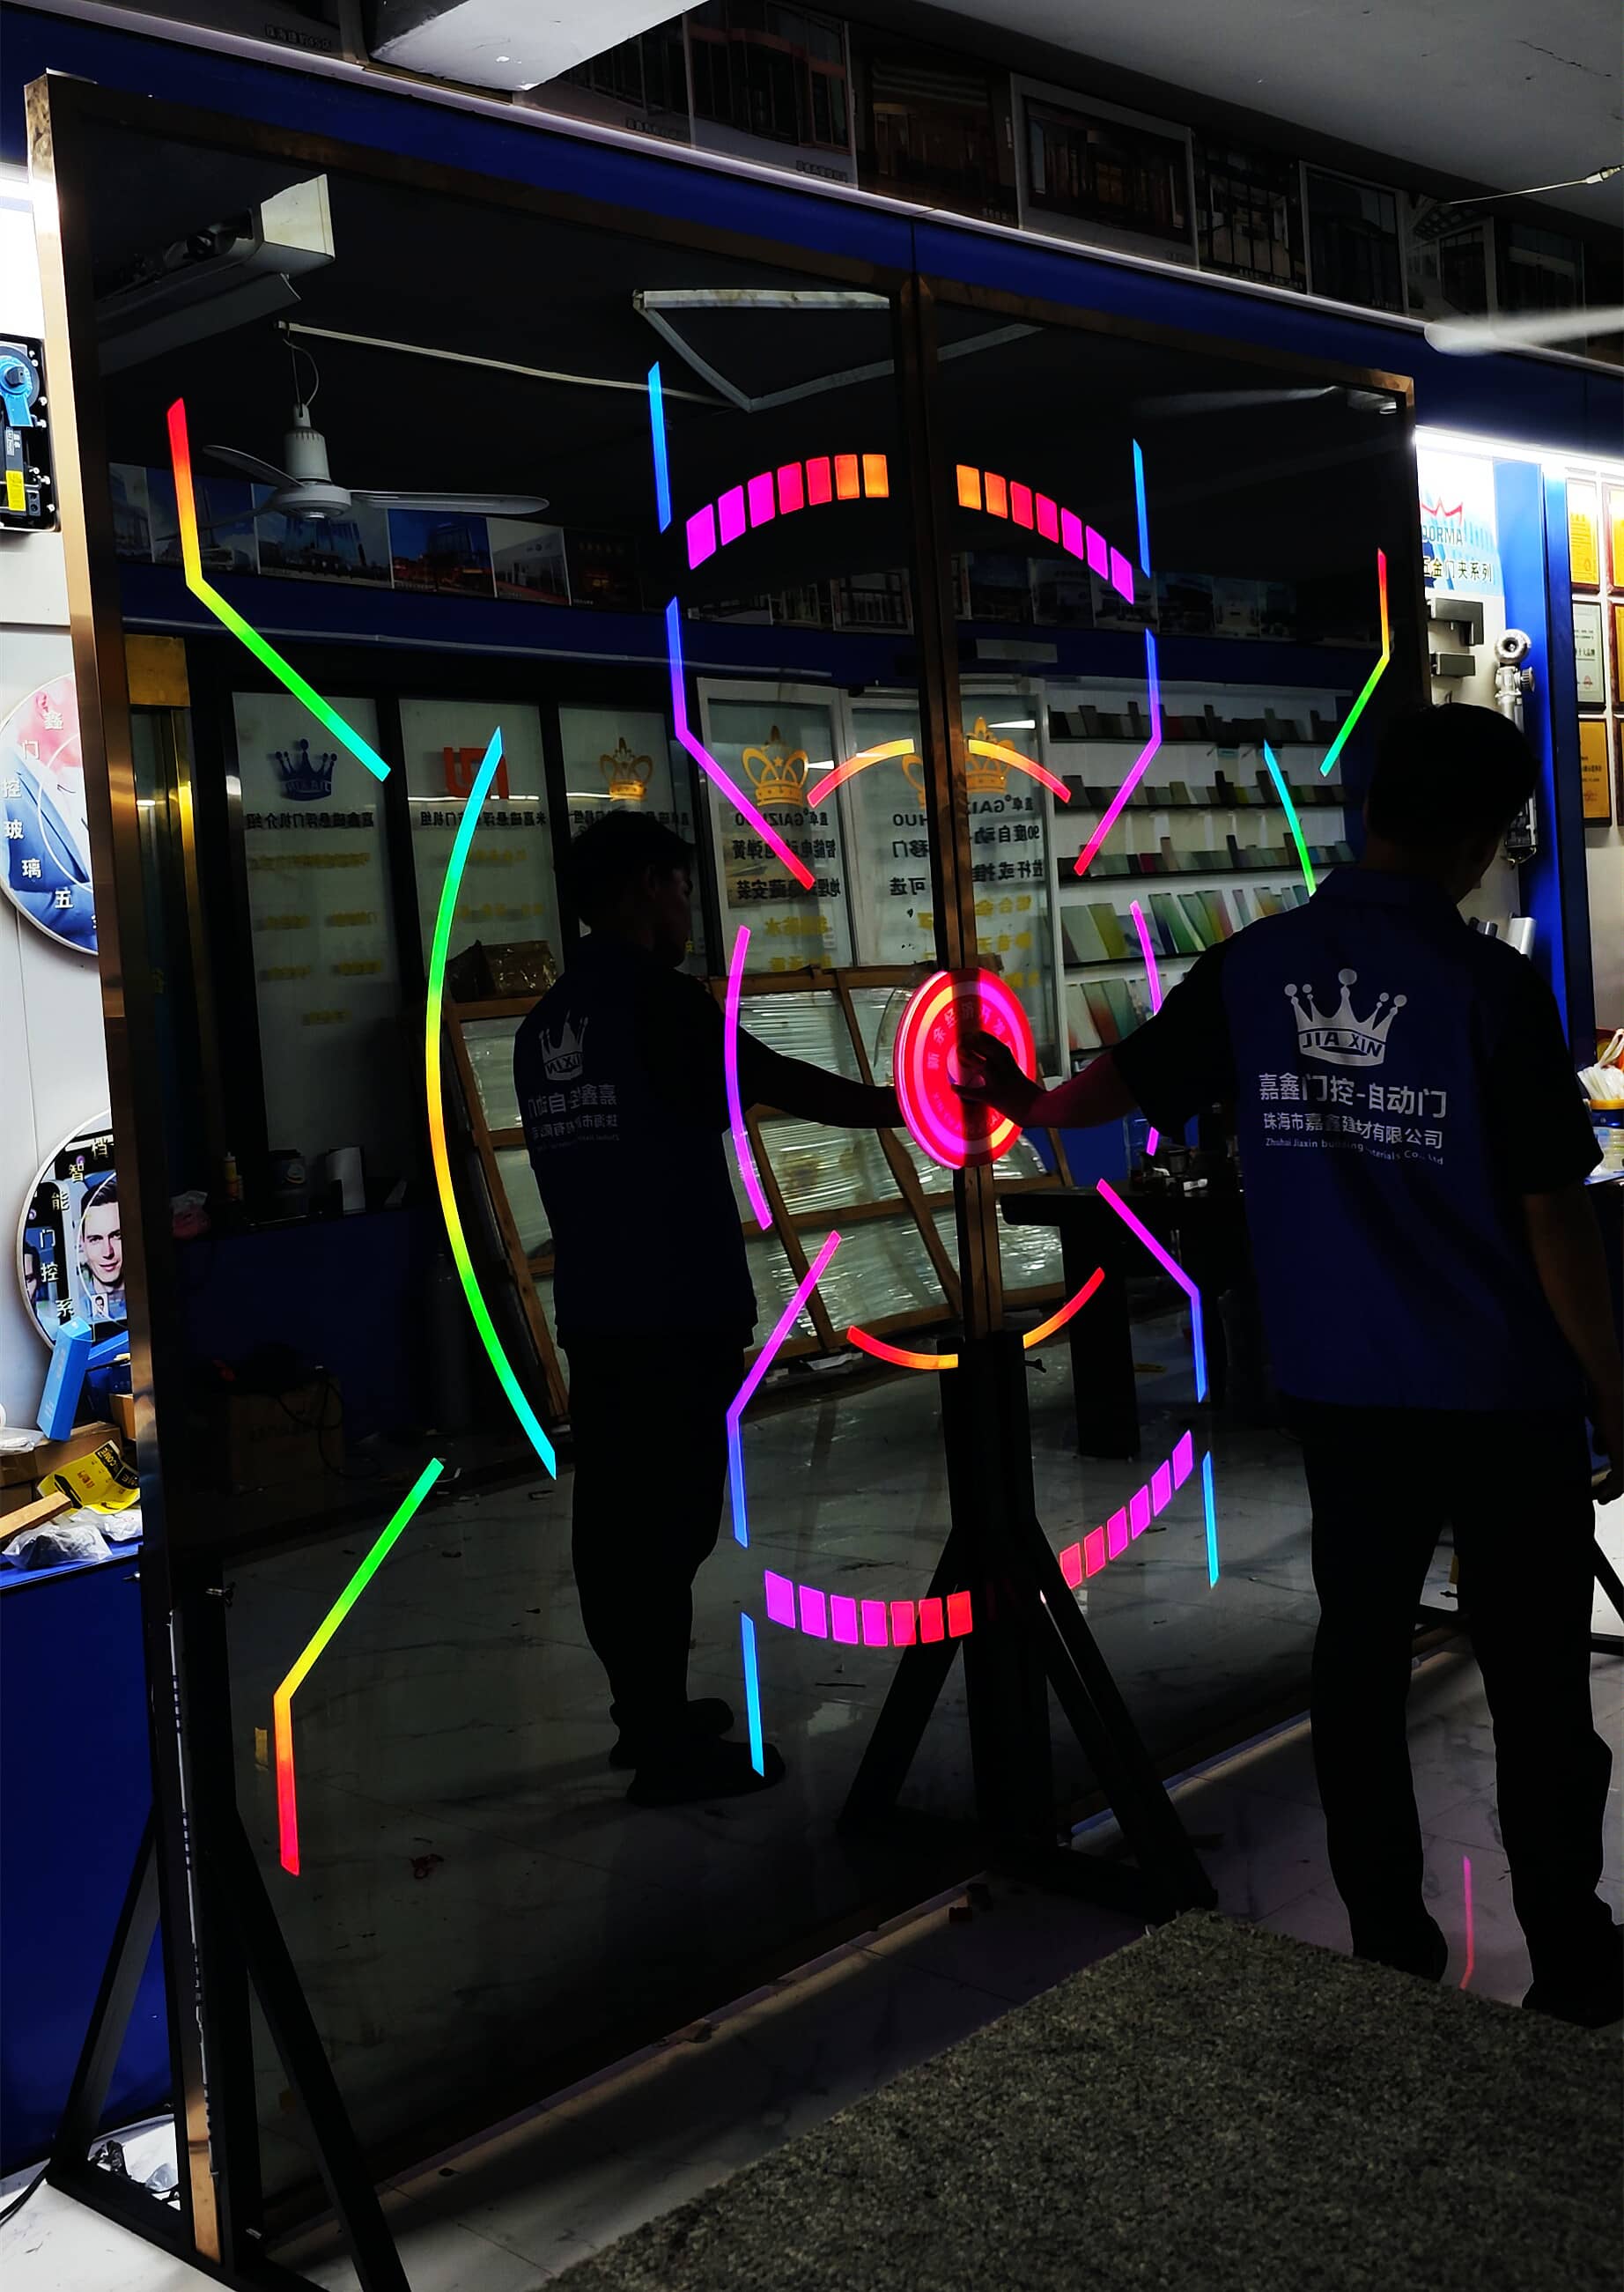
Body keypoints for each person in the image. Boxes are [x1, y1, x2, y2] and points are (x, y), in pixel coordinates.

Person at [960, 703, 1622, 2028]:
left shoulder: (1256, 966)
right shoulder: (1487, 988)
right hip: (1500, 1394)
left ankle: (1388, 1947)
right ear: (1483, 838)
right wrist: (1618, 1389)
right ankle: (1572, 1956)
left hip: (1340, 1387)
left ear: (1373, 810)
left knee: (1358, 1669)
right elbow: (1554, 1221)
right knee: (1539, 1683)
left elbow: (1113, 1087)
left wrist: (1020, 1100)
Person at [516, 812, 899, 1807]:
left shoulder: (545, 1024)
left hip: (598, 1308)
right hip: (674, 1305)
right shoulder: (659, 1003)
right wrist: (901, 1106)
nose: (689, 909)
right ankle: (661, 1747)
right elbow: (766, 1080)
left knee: (615, 1520)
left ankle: (643, 1715)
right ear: (649, 886)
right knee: (667, 1524)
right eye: (683, 888)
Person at [78, 1176, 124, 1325]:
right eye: (95, 1239)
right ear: (82, 1243)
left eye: (116, 1236)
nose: (107, 1252)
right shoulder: (76, 1317)